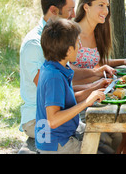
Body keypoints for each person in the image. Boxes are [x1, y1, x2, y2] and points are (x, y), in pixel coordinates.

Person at [19, 0, 113, 139]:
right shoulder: (34, 44)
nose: (73, 15)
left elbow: (66, 81)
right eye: (70, 10)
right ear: (53, 11)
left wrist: (96, 78)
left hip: (61, 113)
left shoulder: (59, 37)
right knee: (102, 137)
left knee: (111, 133)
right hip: (40, 120)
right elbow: (55, 92)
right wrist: (90, 90)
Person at [71, 0, 126, 154]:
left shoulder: (98, 31)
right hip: (80, 97)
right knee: (125, 126)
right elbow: (66, 69)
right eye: (100, 5)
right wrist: (96, 75)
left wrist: (122, 61)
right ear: (86, 7)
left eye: (107, 6)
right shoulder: (71, 33)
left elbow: (96, 62)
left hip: (100, 91)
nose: (106, 10)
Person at [35, 18, 106, 153]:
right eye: (77, 43)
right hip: (56, 144)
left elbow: (68, 96)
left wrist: (95, 87)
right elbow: (53, 120)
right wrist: (86, 102)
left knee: (104, 137)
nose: (79, 47)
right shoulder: (54, 77)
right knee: (102, 147)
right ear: (68, 51)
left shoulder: (52, 66)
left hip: (56, 137)